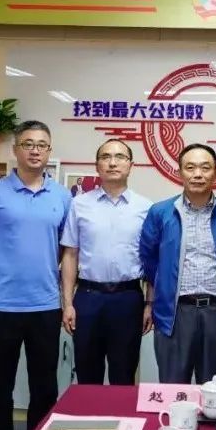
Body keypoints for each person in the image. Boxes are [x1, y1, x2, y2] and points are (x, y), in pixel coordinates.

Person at [0, 120, 71, 430]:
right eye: (28, 144)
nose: (35, 150)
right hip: (3, 306)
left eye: (42, 145)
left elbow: (65, 249)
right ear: (15, 150)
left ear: (49, 151)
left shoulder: (62, 196)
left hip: (45, 304)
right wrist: (1, 272)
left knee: (44, 385)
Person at [139, 143, 216, 384]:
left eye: (205, 168)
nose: (198, 174)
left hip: (215, 313)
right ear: (179, 172)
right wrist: (158, 293)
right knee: (173, 389)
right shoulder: (160, 212)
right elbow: (148, 258)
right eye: (190, 167)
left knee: (212, 390)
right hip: (174, 313)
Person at [61, 139, 152, 385]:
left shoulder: (146, 208)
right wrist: (67, 304)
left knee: (124, 375)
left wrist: (149, 304)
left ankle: (123, 414)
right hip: (88, 297)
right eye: (106, 157)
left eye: (120, 157)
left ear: (131, 165)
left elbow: (152, 261)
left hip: (128, 298)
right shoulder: (79, 204)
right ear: (97, 165)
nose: (113, 162)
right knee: (87, 375)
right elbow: (70, 254)